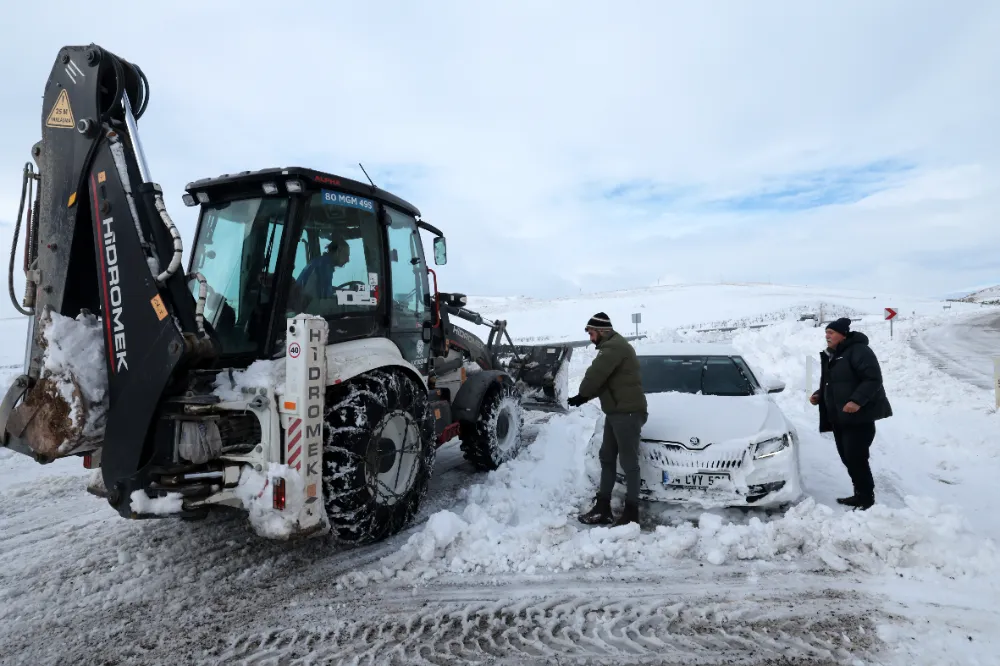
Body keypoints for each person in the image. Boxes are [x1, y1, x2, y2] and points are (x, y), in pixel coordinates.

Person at [567, 312, 648, 526]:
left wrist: (583, 392)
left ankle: (631, 514)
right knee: (607, 457)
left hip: (627, 413)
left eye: (592, 333)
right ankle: (603, 508)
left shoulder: (613, 348)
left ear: (602, 331)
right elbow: (606, 382)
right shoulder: (613, 347)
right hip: (616, 412)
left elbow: (595, 375)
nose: (591, 338)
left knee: (629, 463)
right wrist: (582, 398)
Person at [810, 317, 892, 510]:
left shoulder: (859, 351)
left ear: (843, 334)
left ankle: (866, 498)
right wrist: (819, 395)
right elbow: (833, 384)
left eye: (831, 333)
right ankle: (859, 494)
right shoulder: (833, 355)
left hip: (859, 418)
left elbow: (873, 379)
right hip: (839, 418)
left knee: (856, 458)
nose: (827, 336)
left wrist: (856, 401)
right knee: (848, 458)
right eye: (826, 333)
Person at [295, 234, 350, 303]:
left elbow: (325, 289)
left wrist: (344, 291)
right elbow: (325, 298)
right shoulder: (323, 267)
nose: (348, 260)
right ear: (338, 252)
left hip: (307, 303)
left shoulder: (321, 262)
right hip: (307, 306)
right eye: (346, 255)